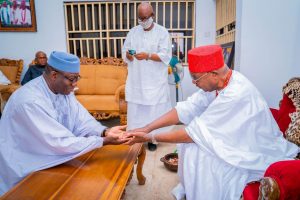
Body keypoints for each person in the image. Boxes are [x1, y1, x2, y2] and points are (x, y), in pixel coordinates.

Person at [124, 45, 299, 199]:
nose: (193, 83)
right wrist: (147, 127)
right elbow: (187, 108)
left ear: (213, 74)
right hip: (236, 137)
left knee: (199, 154)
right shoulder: (220, 82)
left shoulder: (235, 93)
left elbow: (192, 134)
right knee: (192, 147)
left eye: (196, 78)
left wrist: (149, 137)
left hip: (252, 146)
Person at [0, 51, 129, 195]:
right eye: (72, 79)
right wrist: (103, 141)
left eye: (77, 78)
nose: (75, 84)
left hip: (49, 154)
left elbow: (82, 120)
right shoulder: (30, 102)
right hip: (26, 165)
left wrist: (104, 131)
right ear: (54, 75)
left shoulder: (62, 90)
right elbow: (60, 143)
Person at [122, 2, 172, 151]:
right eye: (140, 18)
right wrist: (129, 56)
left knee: (153, 111)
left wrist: (148, 55)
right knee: (136, 111)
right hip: (137, 79)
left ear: (152, 16)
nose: (143, 21)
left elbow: (166, 56)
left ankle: (152, 139)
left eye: (145, 18)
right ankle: (135, 136)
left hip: (154, 81)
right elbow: (125, 52)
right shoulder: (133, 32)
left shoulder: (162, 32)